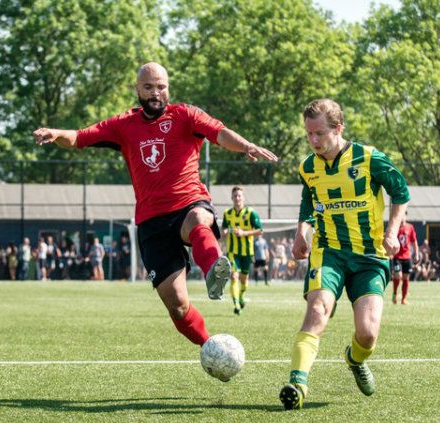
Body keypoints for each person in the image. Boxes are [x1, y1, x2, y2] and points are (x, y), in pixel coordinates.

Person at [34, 62, 278, 369]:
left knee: (199, 222)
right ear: (137, 89)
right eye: (148, 87)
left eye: (161, 86)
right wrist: (55, 133)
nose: (155, 93)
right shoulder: (123, 125)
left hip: (189, 202)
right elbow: (80, 137)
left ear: (168, 88)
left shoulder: (186, 115)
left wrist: (245, 146)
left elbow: (219, 133)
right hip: (151, 221)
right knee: (177, 306)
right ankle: (213, 349)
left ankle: (213, 267)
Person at [279, 99, 410, 410]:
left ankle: (354, 359)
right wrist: (302, 232)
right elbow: (309, 206)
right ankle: (297, 383)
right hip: (329, 254)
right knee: (317, 311)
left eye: (319, 133)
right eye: (308, 134)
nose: (313, 141)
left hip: (369, 257)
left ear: (338, 129)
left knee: (367, 334)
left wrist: (391, 232)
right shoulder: (307, 167)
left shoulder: (368, 159)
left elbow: (401, 192)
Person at [222, 186, 263, 315]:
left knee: (244, 280)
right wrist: (225, 232)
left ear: (243, 198)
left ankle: (241, 296)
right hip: (232, 252)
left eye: (239, 195)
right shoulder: (227, 214)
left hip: (247, 252)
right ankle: (236, 305)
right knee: (234, 277)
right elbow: (223, 229)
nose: (237, 198)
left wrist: (243, 233)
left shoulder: (251, 213)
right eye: (235, 196)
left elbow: (260, 231)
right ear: (232, 198)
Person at [391, 212, 418, 305]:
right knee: (398, 276)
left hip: (407, 257)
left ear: (406, 216)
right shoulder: (395, 228)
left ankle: (403, 299)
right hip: (397, 257)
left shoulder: (410, 227)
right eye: (400, 215)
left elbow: (414, 242)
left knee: (406, 278)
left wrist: (416, 254)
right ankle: (394, 293)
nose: (402, 217)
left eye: (403, 215)